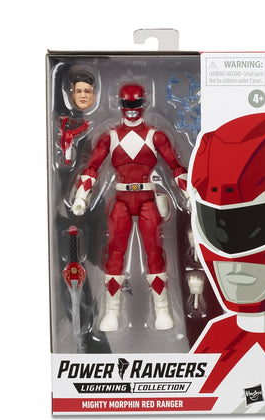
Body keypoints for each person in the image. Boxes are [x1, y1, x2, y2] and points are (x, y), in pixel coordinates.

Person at [72, 83, 189, 332]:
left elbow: (176, 167)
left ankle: (162, 310)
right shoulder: (110, 137)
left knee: (154, 253)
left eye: (136, 104)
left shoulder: (156, 136)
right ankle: (111, 312)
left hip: (147, 200)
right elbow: (92, 168)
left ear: (143, 104)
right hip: (122, 201)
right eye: (128, 104)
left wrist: (189, 194)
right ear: (121, 105)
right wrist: (81, 196)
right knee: (115, 254)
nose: (132, 109)